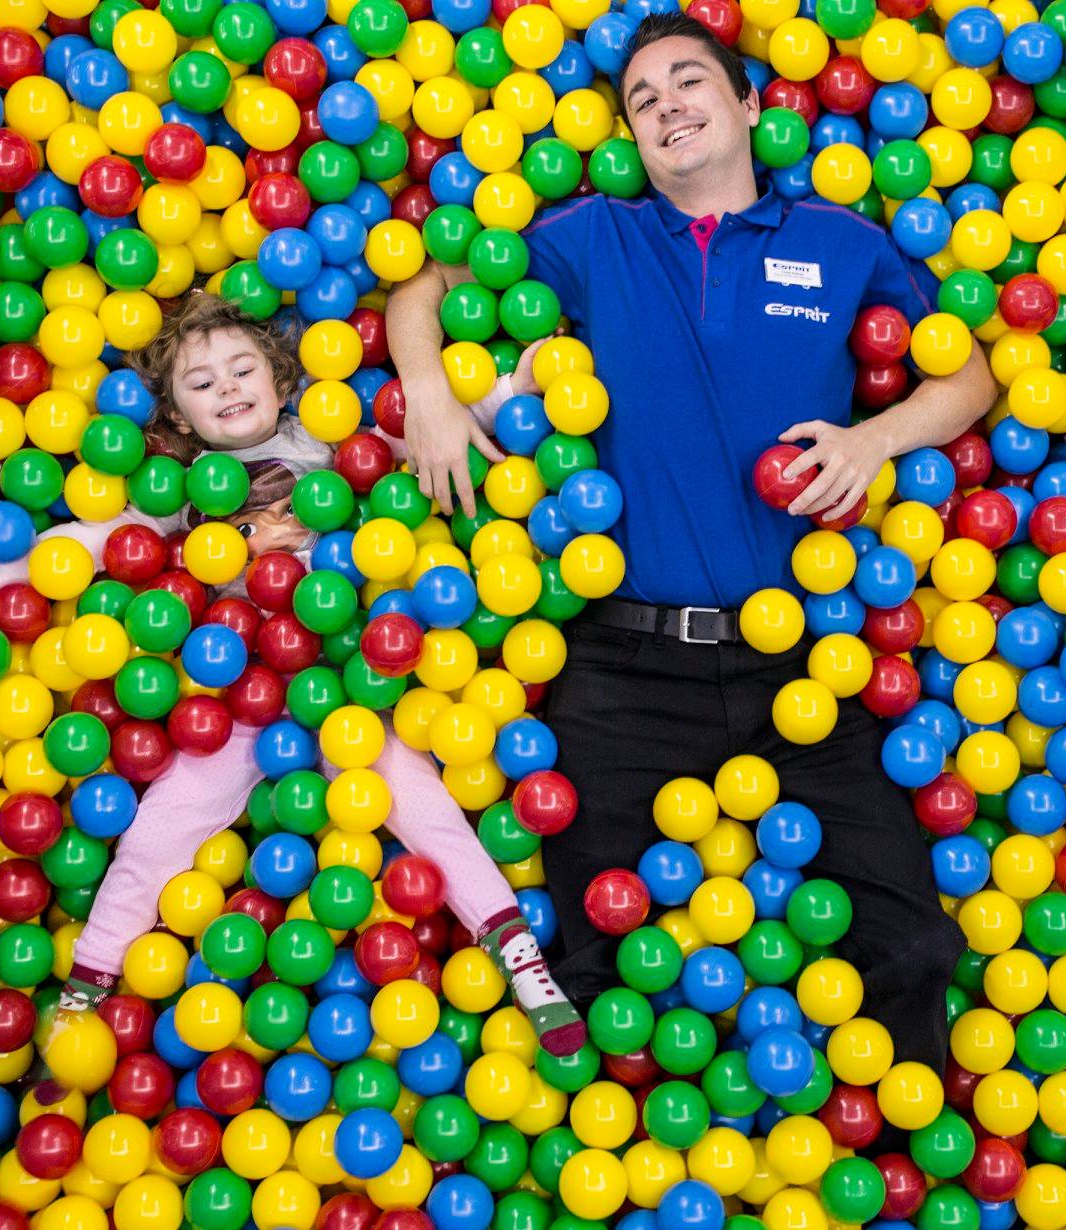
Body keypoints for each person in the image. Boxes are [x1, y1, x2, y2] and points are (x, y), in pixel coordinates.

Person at [389, 11, 996, 1069]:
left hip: (802, 657)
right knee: (597, 966)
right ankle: (610, 1151)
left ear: (752, 104)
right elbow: (424, 285)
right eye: (643, 98)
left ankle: (900, 1155)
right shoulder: (598, 239)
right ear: (630, 135)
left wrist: (875, 438)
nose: (668, 105)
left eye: (689, 82)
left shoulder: (839, 244)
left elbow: (971, 373)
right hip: (625, 666)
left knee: (912, 943)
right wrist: (431, 394)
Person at [0, 294, 585, 1060]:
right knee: (158, 827)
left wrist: (512, 390)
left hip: (349, 680)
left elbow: (417, 431)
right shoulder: (181, 489)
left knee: (425, 811)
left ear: (283, 380)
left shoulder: (330, 445)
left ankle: (521, 961)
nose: (227, 387)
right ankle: (86, 984)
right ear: (181, 418)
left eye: (242, 369)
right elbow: (95, 540)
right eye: (201, 382)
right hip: (238, 695)